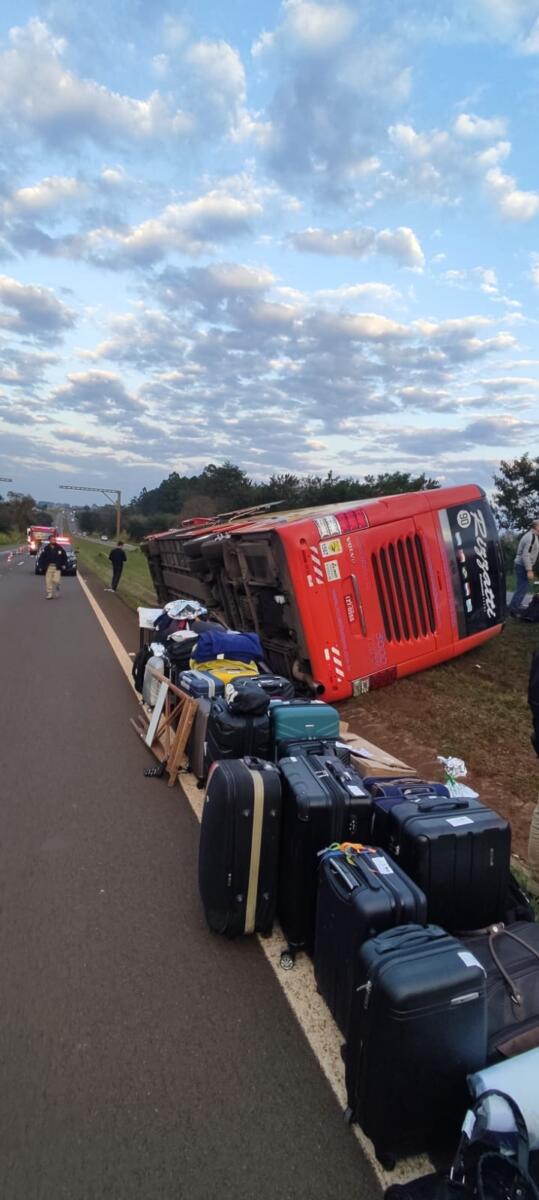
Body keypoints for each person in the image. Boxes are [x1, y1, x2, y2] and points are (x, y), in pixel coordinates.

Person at [509, 518, 539, 617]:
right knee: (522, 587)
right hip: (522, 565)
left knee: (521, 587)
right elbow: (526, 555)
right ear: (537, 526)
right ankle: (514, 610)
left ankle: (515, 606)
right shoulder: (531, 538)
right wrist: (529, 570)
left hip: (520, 565)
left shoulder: (531, 536)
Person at [40, 535, 68, 599]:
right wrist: (41, 566)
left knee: (56, 581)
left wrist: (64, 564)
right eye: (52, 539)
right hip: (49, 567)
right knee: (48, 581)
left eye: (54, 539)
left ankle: (57, 588)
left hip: (57, 567)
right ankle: (49, 593)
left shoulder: (59, 548)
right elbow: (42, 557)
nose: (53, 540)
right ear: (49, 540)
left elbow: (64, 557)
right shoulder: (46, 548)